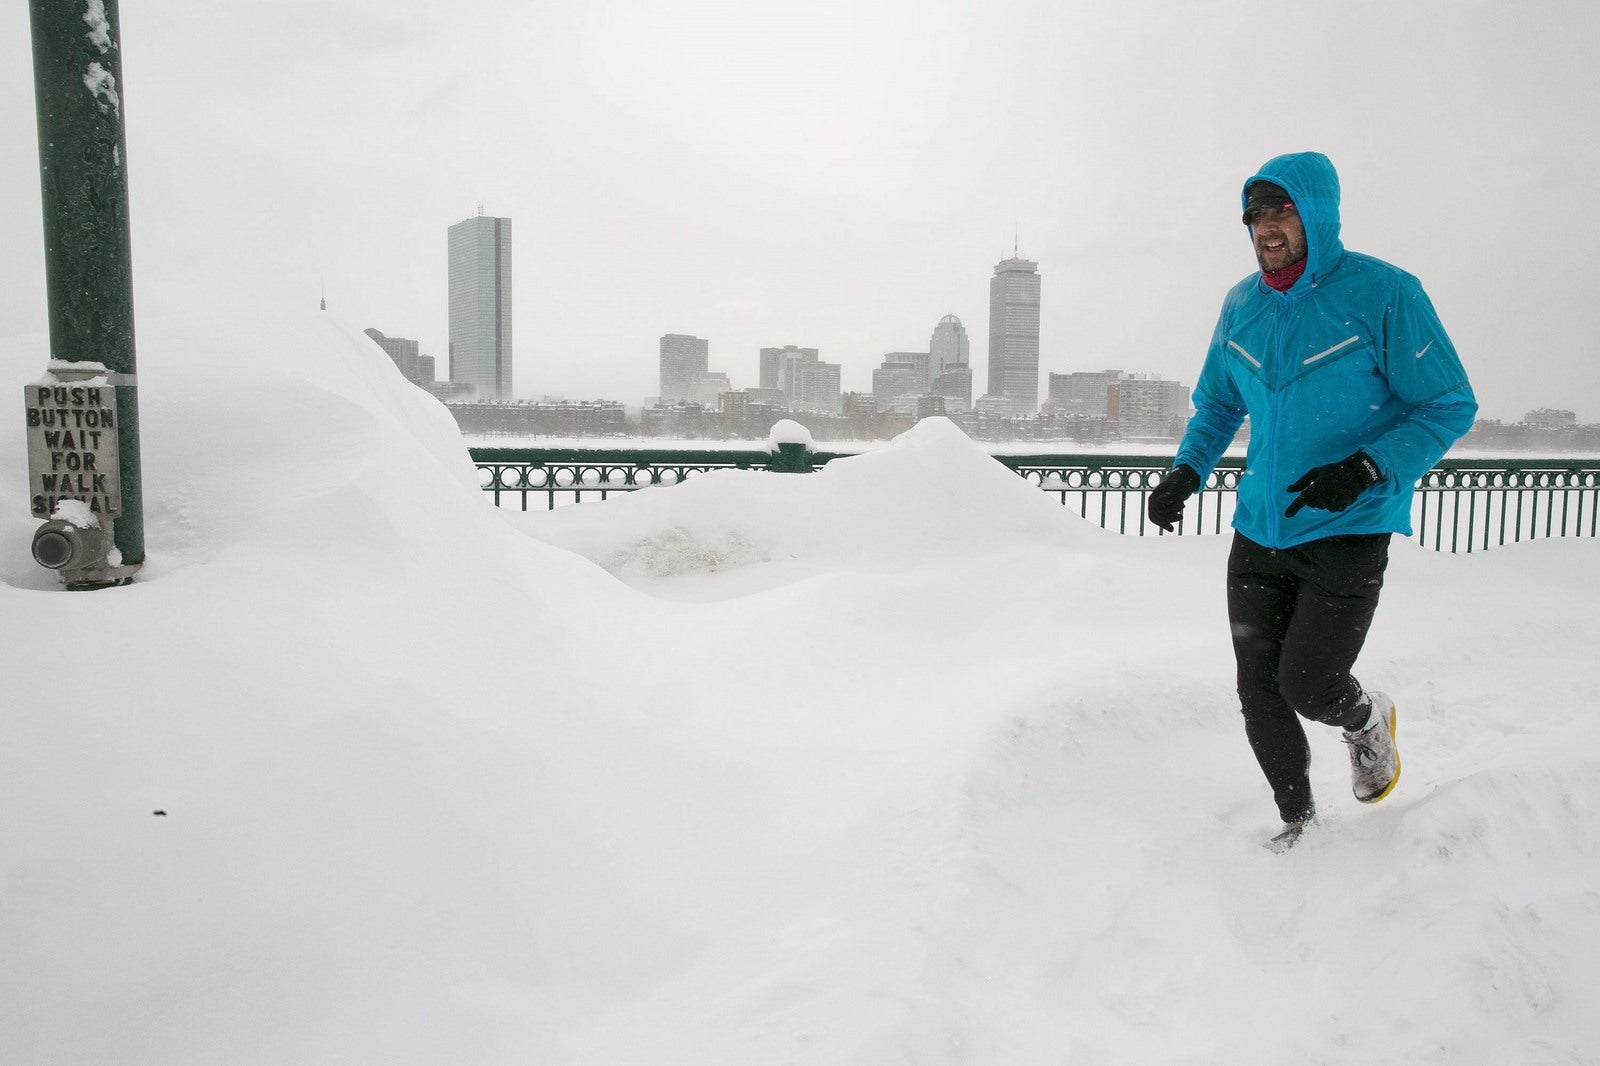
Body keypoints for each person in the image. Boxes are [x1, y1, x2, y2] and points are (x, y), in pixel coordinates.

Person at [1148, 151, 1476, 849]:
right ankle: (1297, 820)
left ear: (1318, 214)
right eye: (1254, 215)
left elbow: (1448, 404)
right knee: (1259, 689)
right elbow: (1218, 406)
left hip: (1348, 526)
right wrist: (1186, 472)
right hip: (1260, 527)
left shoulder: (1385, 294)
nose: (1265, 227)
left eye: (1281, 210)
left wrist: (1366, 467)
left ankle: (1365, 719)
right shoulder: (1242, 305)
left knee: (1308, 683)